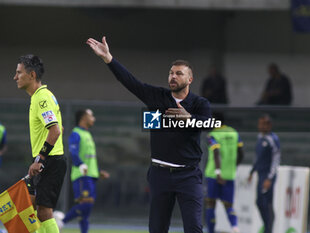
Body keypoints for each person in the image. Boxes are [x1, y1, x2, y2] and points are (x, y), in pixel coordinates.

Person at [87, 36, 211, 233]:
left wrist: (189, 118)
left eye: (179, 73)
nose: (173, 76)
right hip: (160, 174)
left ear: (190, 79)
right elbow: (131, 82)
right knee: (157, 228)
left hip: (188, 175)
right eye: (171, 73)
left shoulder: (199, 104)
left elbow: (208, 124)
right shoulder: (157, 97)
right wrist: (108, 59)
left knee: (194, 228)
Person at [13, 54, 67, 233]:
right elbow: (59, 128)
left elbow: (55, 130)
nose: (15, 77)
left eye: (19, 73)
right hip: (49, 160)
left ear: (32, 75)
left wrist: (41, 158)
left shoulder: (41, 98)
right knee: (34, 210)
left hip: (50, 160)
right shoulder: (40, 97)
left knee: (43, 212)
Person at [55, 109, 110, 233]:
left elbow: (89, 157)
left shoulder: (87, 134)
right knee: (87, 204)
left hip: (91, 175)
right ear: (84, 118)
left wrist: (98, 171)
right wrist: (80, 165)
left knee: (85, 213)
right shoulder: (76, 133)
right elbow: (73, 152)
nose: (93, 119)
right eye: (91, 116)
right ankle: (61, 221)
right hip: (82, 175)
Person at [204, 112, 244, 233]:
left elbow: (216, 153)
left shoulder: (212, 135)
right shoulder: (234, 133)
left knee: (211, 204)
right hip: (229, 175)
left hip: (213, 175)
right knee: (229, 205)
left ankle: (211, 231)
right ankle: (235, 228)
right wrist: (233, 167)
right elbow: (241, 153)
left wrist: (218, 172)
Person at [248, 114, 280, 233]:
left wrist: (270, 178)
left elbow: (276, 160)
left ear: (269, 125)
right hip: (261, 174)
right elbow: (258, 158)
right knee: (261, 202)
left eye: (263, 124)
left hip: (267, 175)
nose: (261, 126)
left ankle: (268, 229)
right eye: (260, 123)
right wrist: (252, 171)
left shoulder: (273, 139)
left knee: (265, 203)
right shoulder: (260, 138)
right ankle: (267, 227)